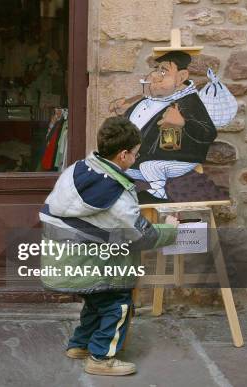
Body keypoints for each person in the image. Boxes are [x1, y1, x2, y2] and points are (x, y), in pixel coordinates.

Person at [39, 117, 179, 376]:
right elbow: (142, 237)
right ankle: (101, 358)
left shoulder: (78, 169)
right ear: (124, 154)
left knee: (95, 299)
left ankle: (79, 345)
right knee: (118, 303)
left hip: (62, 260)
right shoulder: (116, 195)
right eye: (135, 154)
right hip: (86, 261)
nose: (136, 159)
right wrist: (170, 228)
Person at [110, 51, 217, 201]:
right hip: (138, 161)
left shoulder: (189, 102)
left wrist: (184, 123)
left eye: (163, 71)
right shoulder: (152, 99)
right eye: (156, 69)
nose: (155, 76)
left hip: (174, 160)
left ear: (181, 77)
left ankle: (158, 192)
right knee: (118, 169)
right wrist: (125, 113)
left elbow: (209, 132)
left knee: (150, 167)